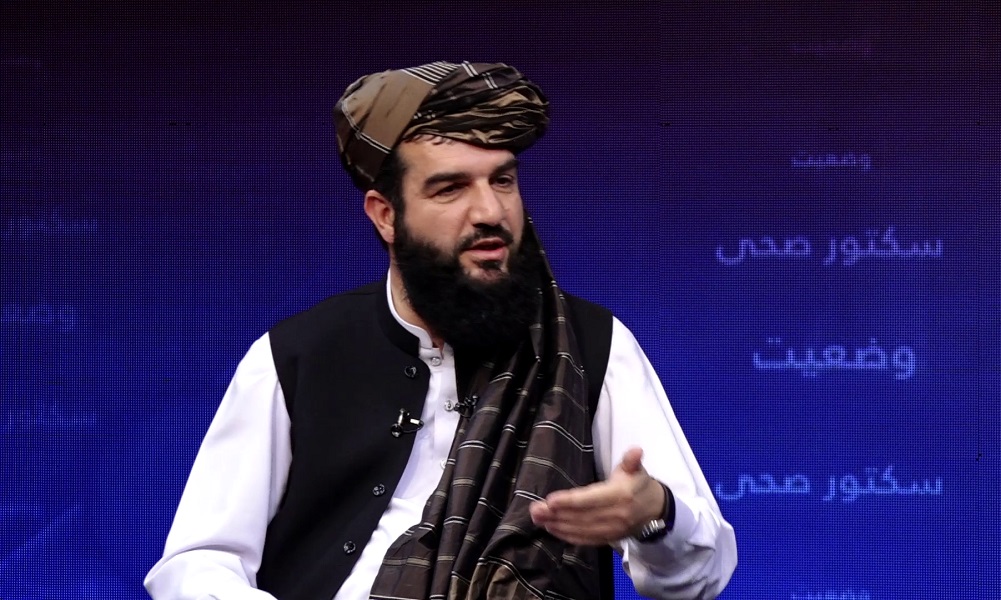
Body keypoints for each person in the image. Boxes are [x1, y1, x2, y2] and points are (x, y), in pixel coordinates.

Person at [145, 61, 737, 600]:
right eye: (451, 188)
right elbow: (197, 563)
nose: (490, 212)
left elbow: (702, 576)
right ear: (386, 215)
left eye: (502, 181)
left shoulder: (590, 345)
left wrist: (656, 516)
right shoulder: (298, 354)